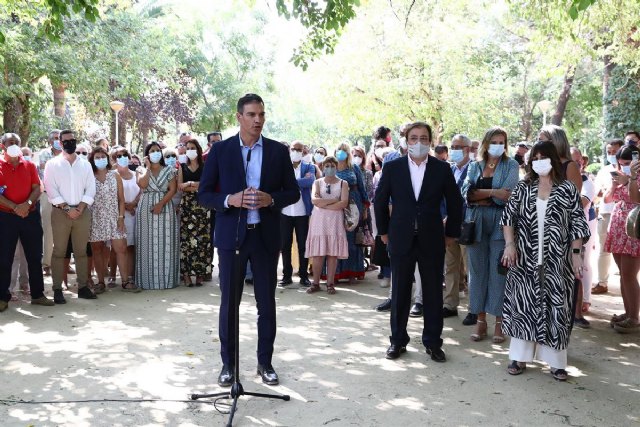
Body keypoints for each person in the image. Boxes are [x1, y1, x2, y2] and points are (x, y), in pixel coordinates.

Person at [198, 93, 299, 387]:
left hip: (266, 238)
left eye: (262, 115)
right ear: (239, 117)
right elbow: (205, 195)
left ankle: (265, 363)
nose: (258, 120)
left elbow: (291, 192)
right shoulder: (221, 151)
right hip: (232, 239)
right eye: (252, 115)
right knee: (229, 304)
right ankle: (228, 365)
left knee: (266, 304)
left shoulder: (279, 152)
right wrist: (230, 199)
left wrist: (271, 199)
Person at [501, 141, 590, 381]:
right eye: (536, 157)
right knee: (523, 306)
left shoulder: (567, 190)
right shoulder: (523, 187)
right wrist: (510, 245)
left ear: (553, 159)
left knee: (557, 308)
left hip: (558, 260)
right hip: (524, 259)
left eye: (544, 156)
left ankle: (556, 362)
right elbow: (508, 218)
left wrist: (576, 254)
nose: (540, 161)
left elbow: (578, 225)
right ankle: (518, 357)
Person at [375, 121, 463, 363]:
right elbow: (379, 201)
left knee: (434, 292)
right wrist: (383, 232)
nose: (419, 142)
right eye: (414, 138)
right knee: (400, 291)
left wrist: (451, 234)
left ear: (430, 142)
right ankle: (397, 340)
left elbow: (456, 203)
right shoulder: (392, 168)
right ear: (406, 141)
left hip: (432, 238)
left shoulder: (441, 168)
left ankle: (433, 342)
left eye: (424, 138)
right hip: (400, 237)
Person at [461, 127, 519, 343]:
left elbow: (509, 195)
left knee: (498, 272)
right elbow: (466, 194)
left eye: (502, 141)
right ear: (486, 143)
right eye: (494, 141)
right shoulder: (475, 166)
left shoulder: (511, 165)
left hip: (501, 224)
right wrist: (494, 192)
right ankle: (480, 320)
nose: (498, 145)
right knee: (476, 273)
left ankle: (499, 323)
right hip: (474, 223)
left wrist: (483, 195)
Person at [0, 133, 55, 311]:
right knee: (4, 258)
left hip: (29, 216)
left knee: (34, 256)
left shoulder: (29, 165)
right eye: (10, 143)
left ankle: (37, 294)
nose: (14, 145)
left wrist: (27, 205)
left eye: (17, 142)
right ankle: (2, 297)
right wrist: (15, 207)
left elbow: (37, 188)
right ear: (3, 146)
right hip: (6, 217)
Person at [44, 129, 97, 303]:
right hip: (61, 213)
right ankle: (57, 289)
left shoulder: (85, 164)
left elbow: (91, 188)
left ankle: (82, 287)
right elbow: (50, 189)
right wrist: (67, 209)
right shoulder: (52, 164)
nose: (69, 143)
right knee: (59, 251)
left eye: (72, 140)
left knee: (81, 252)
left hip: (82, 212)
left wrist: (80, 208)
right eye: (65, 141)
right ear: (60, 142)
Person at [87, 147, 136, 293]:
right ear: (92, 160)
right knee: (98, 250)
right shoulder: (89, 176)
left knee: (121, 249)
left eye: (103, 156)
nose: (100, 159)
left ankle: (125, 281)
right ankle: (101, 282)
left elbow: (121, 200)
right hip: (95, 217)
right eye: (97, 157)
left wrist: (121, 217)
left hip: (115, 217)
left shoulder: (115, 176)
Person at [135, 141, 179, 290]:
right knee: (146, 243)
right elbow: (142, 185)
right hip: (145, 208)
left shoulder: (169, 170)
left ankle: (166, 280)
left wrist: (160, 204)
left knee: (166, 242)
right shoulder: (140, 169)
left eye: (158, 150)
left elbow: (172, 190)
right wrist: (147, 168)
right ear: (147, 154)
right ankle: (146, 281)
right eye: (152, 150)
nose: (156, 153)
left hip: (165, 207)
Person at [605, 145, 640, 333]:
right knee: (622, 275)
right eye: (621, 163)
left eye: (627, 163)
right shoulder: (618, 174)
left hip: (634, 229)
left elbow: (636, 199)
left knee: (629, 275)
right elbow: (608, 199)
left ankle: (634, 317)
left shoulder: (635, 176)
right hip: (618, 227)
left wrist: (630, 180)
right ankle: (628, 313)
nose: (624, 166)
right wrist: (614, 184)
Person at [306, 156, 349, 294]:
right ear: (323, 167)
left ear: (336, 167)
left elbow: (343, 203)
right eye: (327, 166)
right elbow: (314, 200)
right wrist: (333, 202)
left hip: (335, 221)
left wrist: (324, 203)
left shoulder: (343, 183)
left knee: (332, 254)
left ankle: (330, 283)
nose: (329, 169)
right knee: (318, 253)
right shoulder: (317, 182)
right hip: (319, 220)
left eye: (332, 166)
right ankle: (316, 283)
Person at [443, 134, 472, 319]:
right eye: (452, 146)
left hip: (467, 225)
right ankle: (450, 304)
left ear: (467, 149)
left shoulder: (475, 169)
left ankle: (474, 309)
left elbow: (470, 197)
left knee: (471, 270)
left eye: (458, 146)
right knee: (450, 266)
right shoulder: (448, 169)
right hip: (448, 227)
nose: (454, 149)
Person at [280, 140, 315, 287]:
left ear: (303, 151)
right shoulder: (282, 167)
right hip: (285, 212)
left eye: (299, 150)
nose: (296, 152)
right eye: (294, 149)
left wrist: (291, 183)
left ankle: (303, 275)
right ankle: (286, 275)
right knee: (285, 245)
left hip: (302, 212)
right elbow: (279, 183)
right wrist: (298, 181)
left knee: (303, 245)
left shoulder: (309, 167)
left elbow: (310, 181)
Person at [177, 138, 211, 287]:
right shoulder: (182, 166)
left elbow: (205, 185)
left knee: (202, 240)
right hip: (187, 206)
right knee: (186, 240)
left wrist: (190, 184)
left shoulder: (205, 166)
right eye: (188, 147)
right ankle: (186, 274)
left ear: (198, 150)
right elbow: (180, 186)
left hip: (203, 206)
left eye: (193, 148)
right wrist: (193, 184)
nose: (190, 150)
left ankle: (200, 273)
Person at [592, 139, 624, 294]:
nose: (611, 155)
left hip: (626, 217)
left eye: (614, 152)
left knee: (624, 253)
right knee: (604, 249)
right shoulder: (603, 171)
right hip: (606, 213)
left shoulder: (630, 171)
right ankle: (602, 282)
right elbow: (597, 194)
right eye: (609, 152)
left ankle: (626, 280)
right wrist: (607, 189)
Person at [334, 142, 369, 282]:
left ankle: (352, 272)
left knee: (352, 239)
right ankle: (335, 273)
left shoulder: (353, 167)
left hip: (354, 206)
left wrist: (365, 208)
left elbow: (362, 188)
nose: (341, 152)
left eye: (344, 150)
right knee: (336, 237)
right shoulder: (332, 167)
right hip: (335, 206)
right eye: (339, 150)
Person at [570, 147, 597, 324]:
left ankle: (578, 312)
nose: (578, 163)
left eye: (579, 160)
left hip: (581, 231)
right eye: (573, 160)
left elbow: (582, 203)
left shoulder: (587, 182)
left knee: (579, 268)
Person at [114, 147, 141, 287]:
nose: (122, 157)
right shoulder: (112, 175)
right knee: (117, 248)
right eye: (119, 155)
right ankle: (112, 276)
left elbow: (142, 190)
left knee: (131, 247)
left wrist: (134, 204)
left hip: (133, 213)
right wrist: (124, 206)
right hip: (118, 215)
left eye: (125, 155)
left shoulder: (136, 173)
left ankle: (129, 276)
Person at [38, 129, 63, 277]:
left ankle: (62, 262)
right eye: (54, 138)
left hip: (65, 198)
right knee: (47, 231)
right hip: (47, 196)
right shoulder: (44, 154)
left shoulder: (67, 155)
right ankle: (46, 263)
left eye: (59, 138)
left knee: (63, 231)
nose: (57, 140)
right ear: (49, 141)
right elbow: (44, 174)